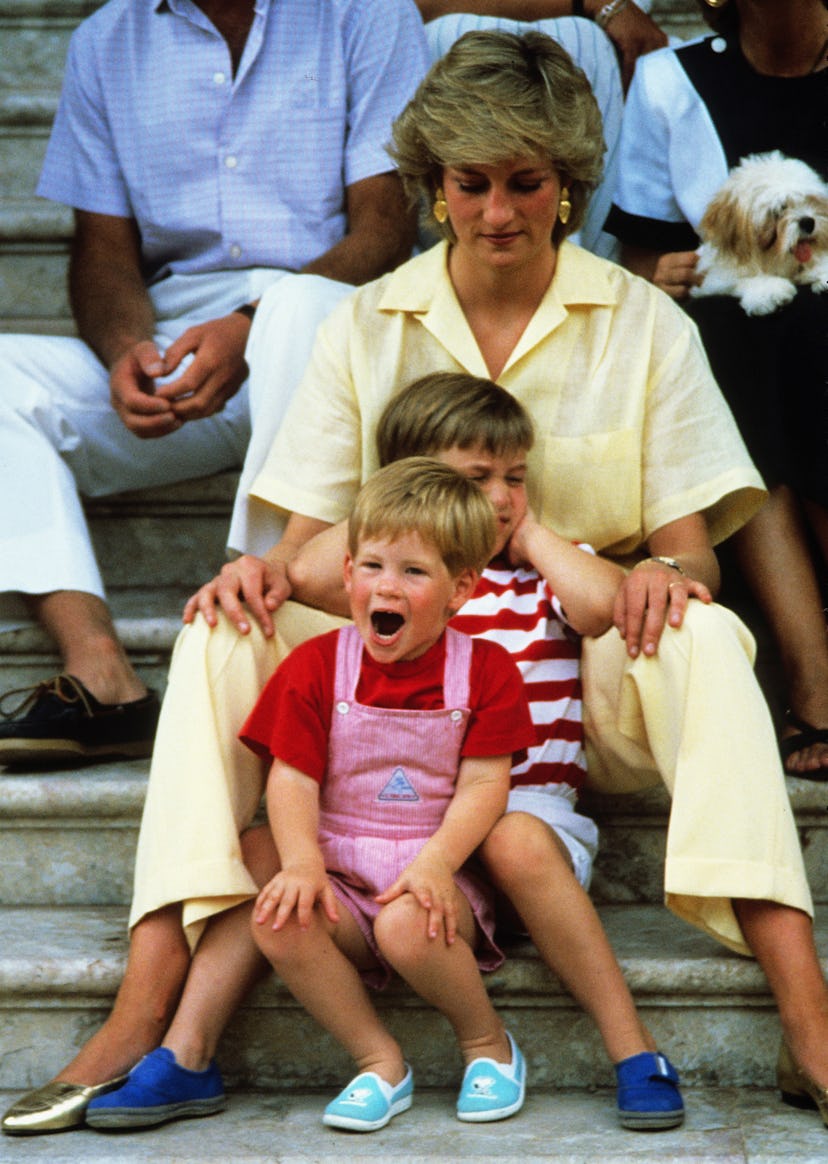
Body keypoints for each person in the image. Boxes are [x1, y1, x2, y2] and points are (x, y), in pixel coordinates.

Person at [2, 28, 823, 1138]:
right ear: (436, 185)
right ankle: (149, 994)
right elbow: (305, 550)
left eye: (525, 183)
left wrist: (660, 576)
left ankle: (801, 1000)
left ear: (570, 187)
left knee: (709, 634)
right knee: (216, 631)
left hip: (572, 675)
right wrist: (278, 572)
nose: (496, 212)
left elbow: (693, 546)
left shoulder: (646, 321)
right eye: (469, 182)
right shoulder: (366, 320)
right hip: (395, 679)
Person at [0, 0, 428, 767]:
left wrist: (252, 320)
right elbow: (101, 250)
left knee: (296, 309)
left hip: (326, 319)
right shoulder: (107, 40)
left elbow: (386, 230)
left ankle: (265, 628)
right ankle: (102, 674)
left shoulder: (364, 13)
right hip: (182, 335)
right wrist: (126, 348)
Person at [247, 459, 533, 1131]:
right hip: (341, 876)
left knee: (408, 926)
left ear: (461, 587)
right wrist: (302, 865)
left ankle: (487, 1045)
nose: (387, 587)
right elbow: (291, 775)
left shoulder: (485, 670)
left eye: (414, 572)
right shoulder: (316, 666)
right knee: (279, 919)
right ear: (346, 574)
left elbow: (486, 784)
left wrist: (435, 864)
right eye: (372, 566)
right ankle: (379, 1062)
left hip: (440, 874)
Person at [605, 0, 828, 778]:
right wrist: (654, 272)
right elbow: (638, 264)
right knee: (729, 334)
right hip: (735, 335)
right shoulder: (672, 81)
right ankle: (815, 675)